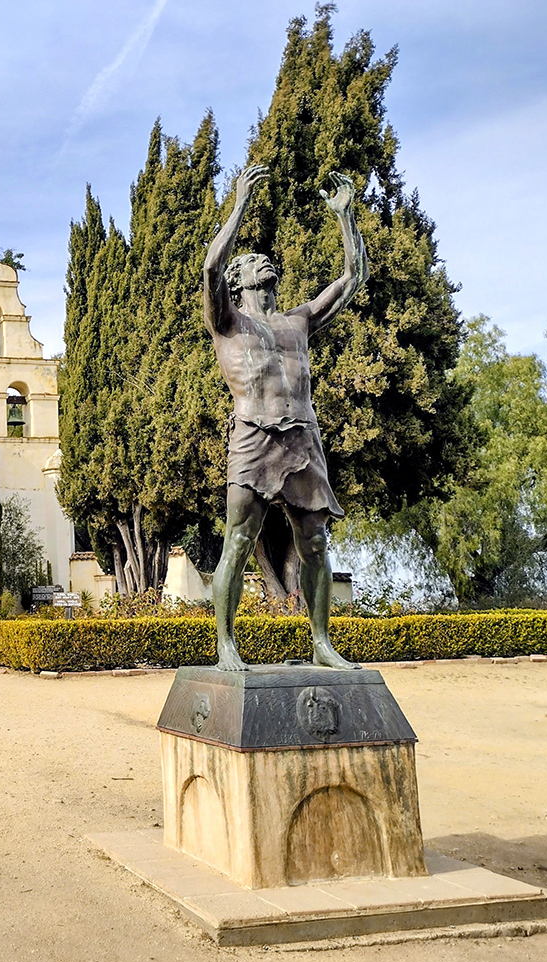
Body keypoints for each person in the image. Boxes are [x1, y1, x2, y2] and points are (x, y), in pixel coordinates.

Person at [203, 164, 368, 672]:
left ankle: (321, 642)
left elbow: (353, 277)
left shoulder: (297, 321)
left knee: (315, 541)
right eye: (255, 261)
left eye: (268, 261)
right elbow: (210, 267)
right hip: (253, 434)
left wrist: (346, 219)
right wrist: (238, 206)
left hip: (302, 437)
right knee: (238, 538)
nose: (266, 264)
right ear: (239, 279)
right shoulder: (227, 321)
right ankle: (225, 644)